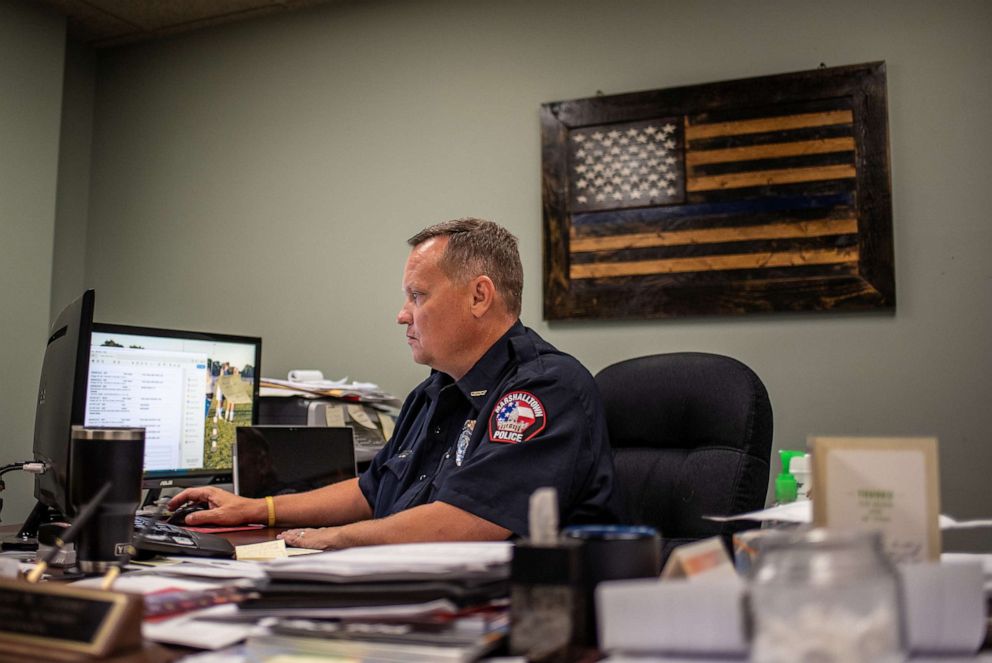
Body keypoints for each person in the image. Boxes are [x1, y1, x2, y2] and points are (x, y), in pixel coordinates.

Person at [169, 218, 623, 549]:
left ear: (479, 296)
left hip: (525, 608)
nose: (402, 314)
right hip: (416, 583)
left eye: (417, 295)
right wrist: (259, 508)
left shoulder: (543, 389)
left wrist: (331, 541)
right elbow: (373, 490)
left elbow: (469, 521)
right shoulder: (435, 390)